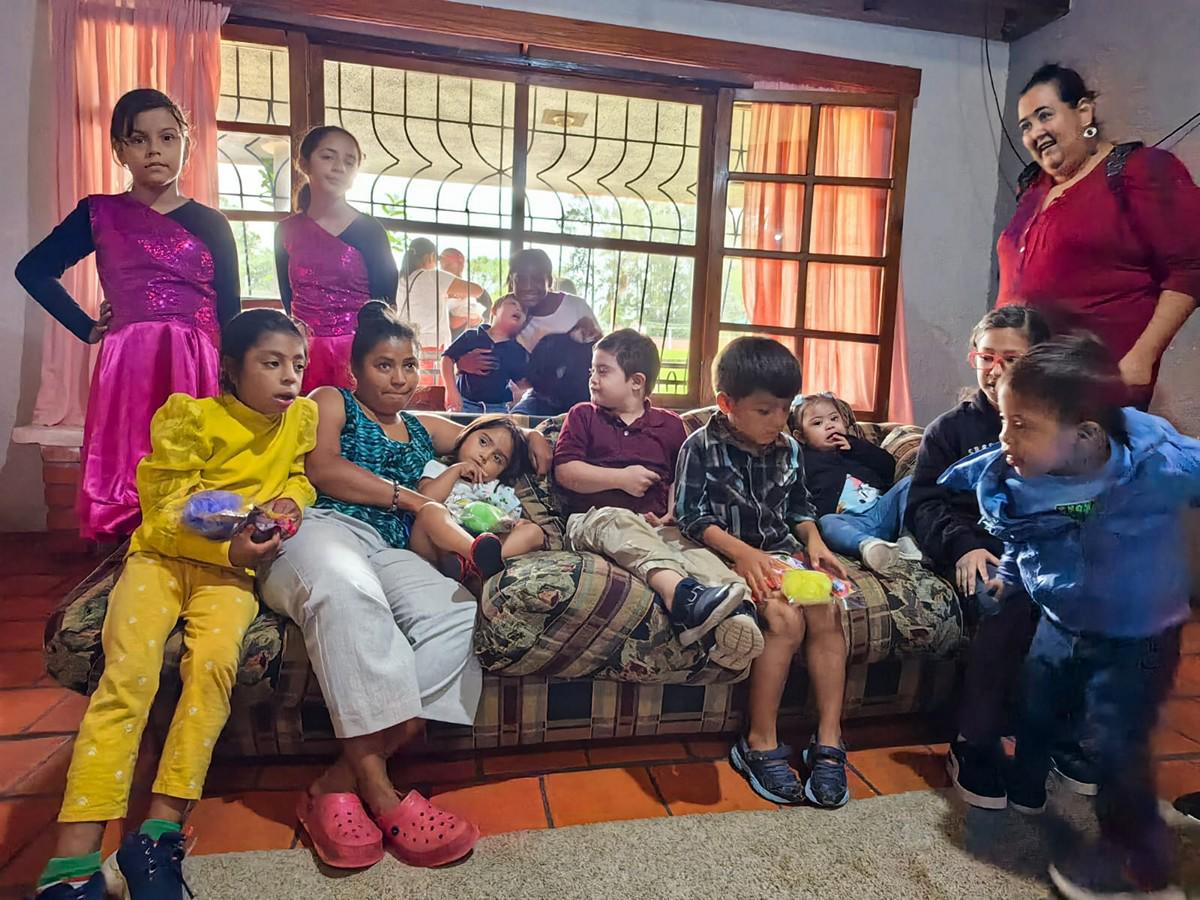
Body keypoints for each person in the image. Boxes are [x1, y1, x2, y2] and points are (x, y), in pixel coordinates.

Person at [257, 301, 551, 871]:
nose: (399, 379)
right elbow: (323, 469)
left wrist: (533, 432)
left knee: (460, 615)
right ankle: (381, 791)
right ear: (355, 371)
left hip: (390, 549)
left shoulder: (421, 426)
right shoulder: (330, 401)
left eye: (409, 366)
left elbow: (482, 435)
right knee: (345, 593)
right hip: (326, 529)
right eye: (384, 366)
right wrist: (409, 498)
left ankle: (337, 780)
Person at [33, 309, 315, 899]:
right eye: (272, 363)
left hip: (231, 577)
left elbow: (298, 476)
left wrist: (289, 502)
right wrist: (230, 541)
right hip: (162, 563)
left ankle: (158, 834)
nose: (290, 378)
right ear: (233, 368)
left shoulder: (300, 420)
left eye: (297, 365)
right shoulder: (192, 417)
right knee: (127, 677)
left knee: (213, 668)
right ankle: (71, 865)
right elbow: (163, 512)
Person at [942, 334, 1197, 899]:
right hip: (1062, 619)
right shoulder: (1011, 478)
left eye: (1022, 425)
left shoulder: (1159, 464)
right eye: (1004, 422)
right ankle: (1029, 788)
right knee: (1036, 704)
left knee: (1116, 746)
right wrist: (1009, 575)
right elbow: (1022, 533)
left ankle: (1140, 869)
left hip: (1140, 631)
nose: (1005, 438)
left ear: (1085, 435)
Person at [15, 88, 240, 541]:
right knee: (130, 471)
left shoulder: (212, 223)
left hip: (196, 364)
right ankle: (124, 568)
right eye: (138, 140)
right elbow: (33, 270)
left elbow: (231, 313)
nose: (154, 149)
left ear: (186, 145)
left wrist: (236, 384)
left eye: (168, 137)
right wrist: (87, 326)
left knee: (195, 474)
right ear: (120, 149)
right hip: (128, 367)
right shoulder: (99, 213)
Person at [674, 337, 850, 808]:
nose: (777, 422)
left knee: (827, 611)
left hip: (778, 551)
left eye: (784, 410)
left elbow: (798, 506)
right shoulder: (700, 446)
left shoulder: (788, 448)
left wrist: (814, 541)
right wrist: (744, 554)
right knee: (784, 619)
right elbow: (690, 516)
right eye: (765, 410)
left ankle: (829, 738)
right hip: (722, 555)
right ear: (727, 404)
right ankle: (759, 741)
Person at [905, 305, 1055, 810]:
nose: (995, 370)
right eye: (986, 357)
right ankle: (975, 742)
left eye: (1010, 359)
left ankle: (1061, 741)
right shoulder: (951, 430)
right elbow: (923, 504)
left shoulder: (1063, 425)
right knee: (1005, 599)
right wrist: (964, 545)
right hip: (976, 550)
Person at [555, 329, 763, 671]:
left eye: (603, 371)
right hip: (594, 521)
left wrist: (671, 512)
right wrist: (621, 478)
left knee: (700, 555)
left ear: (637, 382)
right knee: (617, 520)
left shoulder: (669, 425)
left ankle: (739, 617)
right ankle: (683, 597)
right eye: (592, 370)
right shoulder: (583, 415)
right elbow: (566, 471)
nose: (592, 378)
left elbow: (679, 479)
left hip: (656, 528)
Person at [997, 63, 1200, 408]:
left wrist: (1141, 358)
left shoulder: (1139, 171)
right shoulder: (1032, 188)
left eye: (1045, 116)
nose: (1035, 132)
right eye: (1026, 126)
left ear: (1084, 113)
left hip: (1094, 387)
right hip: (1024, 387)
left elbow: (1191, 267)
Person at [275, 125, 398, 392]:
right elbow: (289, 300)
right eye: (328, 157)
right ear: (304, 162)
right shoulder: (286, 230)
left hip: (358, 357)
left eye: (349, 161)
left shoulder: (371, 231)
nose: (339, 167)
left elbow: (385, 308)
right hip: (302, 358)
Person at [796, 391, 920, 575]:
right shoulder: (803, 459)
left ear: (844, 423)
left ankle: (906, 539)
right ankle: (868, 546)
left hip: (881, 512)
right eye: (817, 423)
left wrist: (856, 448)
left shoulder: (857, 447)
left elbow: (888, 468)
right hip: (848, 522)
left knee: (911, 482)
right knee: (827, 522)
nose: (829, 426)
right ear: (801, 436)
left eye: (834, 419)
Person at [416, 415, 547, 565]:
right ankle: (476, 557)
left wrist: (514, 524)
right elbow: (424, 499)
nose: (485, 456)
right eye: (483, 442)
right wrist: (456, 470)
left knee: (534, 532)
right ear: (466, 435)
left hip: (478, 545)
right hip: (436, 549)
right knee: (430, 510)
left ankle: (480, 561)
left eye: (497, 459)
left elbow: (507, 521)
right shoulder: (438, 468)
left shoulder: (498, 490)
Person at [397, 237, 487, 366]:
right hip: (433, 348)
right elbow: (477, 290)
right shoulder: (432, 276)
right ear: (431, 257)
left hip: (407, 345)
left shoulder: (402, 280)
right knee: (434, 386)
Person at [441, 295, 529, 413]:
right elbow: (447, 359)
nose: (519, 309)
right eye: (513, 304)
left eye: (523, 310)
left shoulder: (517, 350)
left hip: (498, 408)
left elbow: (522, 383)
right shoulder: (471, 336)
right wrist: (451, 391)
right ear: (494, 311)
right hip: (464, 403)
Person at [510, 317, 601, 416]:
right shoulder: (552, 341)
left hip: (578, 407)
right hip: (541, 400)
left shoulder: (595, 352)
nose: (586, 337)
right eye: (584, 333)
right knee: (516, 417)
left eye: (590, 335)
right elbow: (533, 373)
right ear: (576, 328)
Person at [439, 246, 492, 333]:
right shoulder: (438, 292)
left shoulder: (480, 293)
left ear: (461, 264)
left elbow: (488, 319)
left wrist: (478, 320)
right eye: (442, 267)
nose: (444, 270)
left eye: (448, 265)